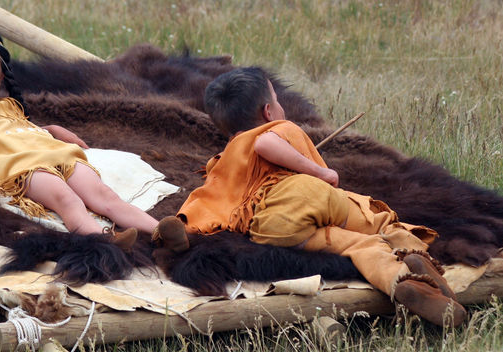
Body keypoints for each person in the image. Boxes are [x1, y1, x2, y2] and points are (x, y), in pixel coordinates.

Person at [176, 67, 466, 327]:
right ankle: (413, 250)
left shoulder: (226, 157)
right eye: (277, 101)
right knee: (374, 218)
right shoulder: (274, 129)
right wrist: (320, 172)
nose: (280, 107)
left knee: (354, 244)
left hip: (269, 228)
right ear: (267, 111)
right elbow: (265, 143)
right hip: (303, 196)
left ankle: (400, 281)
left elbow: (210, 199)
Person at [0, 27, 188, 253]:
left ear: (1, 75)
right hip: (18, 166)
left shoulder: (10, 106)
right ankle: (104, 241)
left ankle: (161, 231)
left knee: (104, 195)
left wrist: (52, 129)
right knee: (66, 199)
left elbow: (22, 130)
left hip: (51, 153)